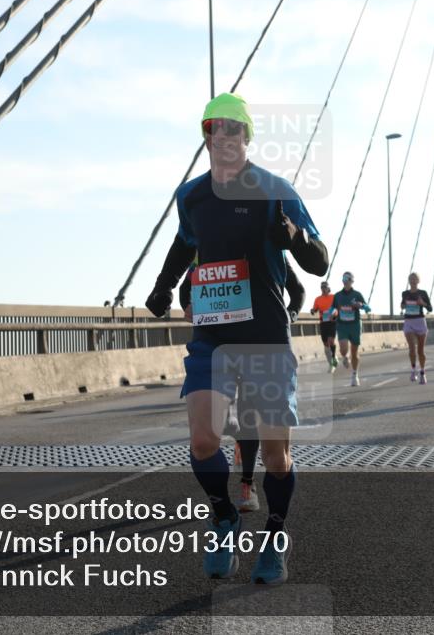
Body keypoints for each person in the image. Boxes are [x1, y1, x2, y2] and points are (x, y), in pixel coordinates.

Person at [144, 93, 328, 584]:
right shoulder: (192, 196)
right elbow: (185, 244)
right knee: (204, 440)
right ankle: (224, 515)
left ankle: (273, 535)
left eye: (231, 128)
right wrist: (162, 287)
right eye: (212, 128)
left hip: (266, 338)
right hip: (211, 339)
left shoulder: (275, 190)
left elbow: (319, 261)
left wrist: (295, 238)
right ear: (205, 137)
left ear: (247, 136)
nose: (221, 136)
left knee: (275, 456)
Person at [178, 255, 305, 514]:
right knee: (218, 424)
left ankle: (247, 483)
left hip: (260, 344)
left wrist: (288, 315)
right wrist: (190, 307)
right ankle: (234, 435)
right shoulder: (206, 250)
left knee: (250, 419)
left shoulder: (267, 251)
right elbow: (184, 289)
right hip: (217, 343)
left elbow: (298, 290)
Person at [329, 271, 370, 387]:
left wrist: (361, 305)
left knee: (354, 352)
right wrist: (333, 312)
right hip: (342, 325)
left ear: (352, 281)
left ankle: (354, 374)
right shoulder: (337, 296)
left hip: (355, 325)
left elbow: (368, 308)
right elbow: (333, 308)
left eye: (348, 279)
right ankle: (345, 357)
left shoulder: (357, 295)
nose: (346, 281)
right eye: (344, 278)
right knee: (343, 349)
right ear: (342, 281)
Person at [400, 273, 433, 383]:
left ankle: (422, 372)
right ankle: (413, 370)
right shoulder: (405, 293)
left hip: (420, 322)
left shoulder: (423, 293)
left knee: (420, 351)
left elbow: (430, 308)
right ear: (409, 281)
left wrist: (422, 303)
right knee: (412, 348)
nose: (413, 281)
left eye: (415, 279)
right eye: (411, 279)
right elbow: (402, 304)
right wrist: (403, 305)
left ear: (418, 281)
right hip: (409, 322)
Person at [310, 281, 338, 373]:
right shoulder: (318, 299)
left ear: (328, 288)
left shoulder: (333, 297)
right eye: (322, 288)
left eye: (325, 287)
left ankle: (333, 362)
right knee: (326, 344)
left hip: (332, 322)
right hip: (323, 323)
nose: (323, 289)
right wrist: (313, 310)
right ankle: (331, 361)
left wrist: (334, 314)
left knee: (331, 341)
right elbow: (315, 308)